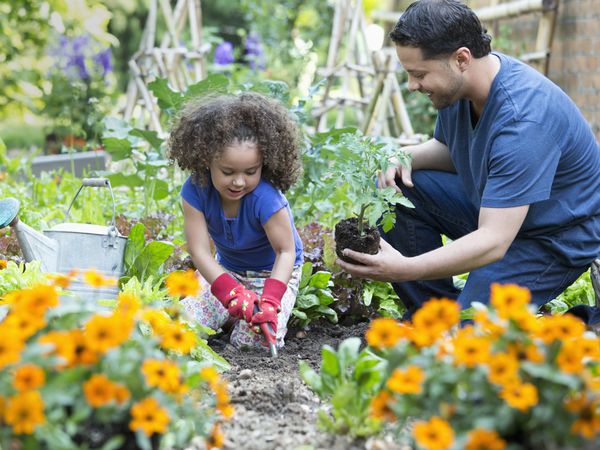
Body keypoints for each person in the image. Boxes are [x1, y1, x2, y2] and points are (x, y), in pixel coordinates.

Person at [337, 0, 600, 325]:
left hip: (552, 237)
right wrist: (401, 156)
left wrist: (405, 268)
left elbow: (493, 241)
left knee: (472, 336)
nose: (412, 85)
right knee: (396, 186)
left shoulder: (524, 120)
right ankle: (433, 317)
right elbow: (454, 151)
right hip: (499, 209)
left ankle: (584, 326)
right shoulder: (458, 90)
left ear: (461, 58)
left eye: (419, 74)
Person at [168, 92, 304, 349]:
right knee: (181, 326)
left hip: (272, 274)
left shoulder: (266, 198)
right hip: (227, 269)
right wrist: (229, 292)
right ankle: (230, 312)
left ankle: (238, 319)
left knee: (252, 344)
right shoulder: (195, 191)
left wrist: (271, 301)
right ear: (207, 161)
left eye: (251, 171)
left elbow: (285, 252)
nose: (239, 181)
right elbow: (199, 252)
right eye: (228, 172)